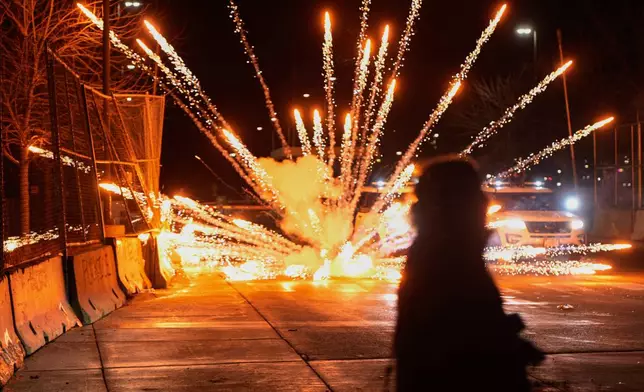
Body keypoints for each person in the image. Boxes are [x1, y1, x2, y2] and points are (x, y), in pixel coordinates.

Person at [393, 156, 544, 391]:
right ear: (458, 202)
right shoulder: (449, 255)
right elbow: (461, 336)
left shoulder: (438, 248)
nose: (485, 200)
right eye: (476, 192)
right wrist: (507, 346)